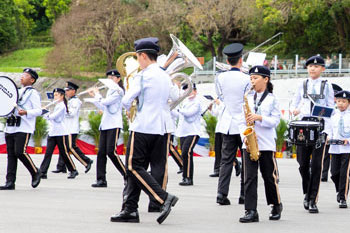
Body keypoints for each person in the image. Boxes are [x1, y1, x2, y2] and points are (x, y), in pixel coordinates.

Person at [110, 37, 178, 224]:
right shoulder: (165, 75)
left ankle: (163, 197)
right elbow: (175, 95)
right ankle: (130, 209)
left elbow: (127, 99)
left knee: (132, 166)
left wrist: (127, 100)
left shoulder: (143, 75)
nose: (138, 61)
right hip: (163, 127)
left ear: (142, 56)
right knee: (142, 168)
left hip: (144, 126)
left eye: (138, 57)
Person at [238, 65, 282, 223]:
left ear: (266, 79)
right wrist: (244, 135)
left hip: (266, 144)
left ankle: (276, 204)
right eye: (251, 78)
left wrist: (259, 118)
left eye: (255, 78)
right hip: (249, 144)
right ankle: (251, 211)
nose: (252, 81)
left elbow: (276, 121)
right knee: (249, 178)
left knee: (270, 177)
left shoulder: (272, 99)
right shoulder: (247, 98)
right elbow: (240, 120)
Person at [292, 55, 335, 213]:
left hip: (320, 127)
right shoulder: (302, 84)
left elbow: (331, 109)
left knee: (317, 165)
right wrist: (295, 110)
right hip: (303, 128)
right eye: (310, 66)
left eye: (316, 66)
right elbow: (295, 103)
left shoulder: (327, 85)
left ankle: (312, 199)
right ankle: (307, 191)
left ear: (322, 69)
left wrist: (328, 131)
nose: (312, 68)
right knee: (303, 164)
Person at [215, 43, 250, 205]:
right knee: (246, 158)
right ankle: (244, 194)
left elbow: (221, 98)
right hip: (242, 124)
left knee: (226, 161)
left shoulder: (220, 77)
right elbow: (247, 101)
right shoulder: (247, 78)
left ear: (228, 61)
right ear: (240, 60)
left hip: (227, 124)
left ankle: (221, 194)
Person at [0, 68, 42, 190]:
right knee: (11, 155)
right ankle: (10, 182)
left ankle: (35, 172)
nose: (22, 77)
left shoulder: (33, 93)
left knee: (20, 152)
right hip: (11, 126)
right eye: (22, 75)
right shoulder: (15, 91)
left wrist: (27, 112)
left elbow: (39, 110)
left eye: (26, 75)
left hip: (24, 127)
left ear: (32, 80)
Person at [88, 70, 126, 188]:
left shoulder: (119, 91)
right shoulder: (110, 91)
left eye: (113, 78)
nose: (110, 80)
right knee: (101, 153)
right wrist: (94, 98)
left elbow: (106, 102)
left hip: (114, 124)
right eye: (109, 78)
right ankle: (101, 179)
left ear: (118, 79)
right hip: (106, 124)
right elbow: (104, 106)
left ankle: (127, 175)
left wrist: (97, 94)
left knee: (111, 152)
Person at [53, 81, 93, 174]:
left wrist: (62, 110)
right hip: (66, 127)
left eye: (68, 90)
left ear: (73, 91)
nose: (66, 92)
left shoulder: (76, 101)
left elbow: (71, 113)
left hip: (71, 128)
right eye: (66, 90)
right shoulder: (69, 101)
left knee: (71, 147)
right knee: (63, 147)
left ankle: (86, 161)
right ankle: (61, 166)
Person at [39, 88, 79, 179]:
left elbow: (54, 117)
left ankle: (73, 170)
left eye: (57, 95)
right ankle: (43, 172)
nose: (55, 97)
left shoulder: (62, 106)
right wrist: (45, 112)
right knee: (48, 153)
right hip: (53, 133)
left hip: (61, 133)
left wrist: (45, 112)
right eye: (54, 95)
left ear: (62, 96)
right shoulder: (57, 105)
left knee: (64, 153)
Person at [173, 83, 201, 186]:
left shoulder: (197, 102)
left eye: (191, 90)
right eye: (187, 91)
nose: (189, 93)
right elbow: (179, 116)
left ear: (195, 91)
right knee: (184, 154)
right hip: (183, 132)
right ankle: (185, 177)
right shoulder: (184, 102)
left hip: (193, 131)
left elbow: (189, 114)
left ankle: (189, 178)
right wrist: (170, 109)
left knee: (187, 152)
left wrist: (178, 109)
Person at [327, 90, 350, 208]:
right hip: (335, 148)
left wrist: (348, 140)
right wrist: (328, 138)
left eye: (344, 101)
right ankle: (339, 190)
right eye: (339, 101)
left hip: (347, 149)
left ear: (349, 103)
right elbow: (330, 129)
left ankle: (343, 198)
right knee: (334, 173)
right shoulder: (333, 115)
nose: (341, 104)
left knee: (344, 174)